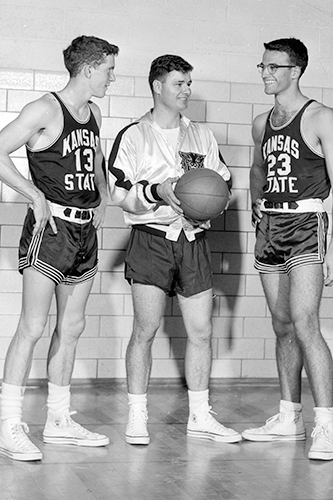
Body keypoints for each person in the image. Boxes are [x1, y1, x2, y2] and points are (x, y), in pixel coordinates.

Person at [108, 53, 242, 445]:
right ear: (157, 86)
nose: (186, 90)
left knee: (201, 331)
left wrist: (210, 205)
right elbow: (118, 192)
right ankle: (137, 415)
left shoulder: (201, 135)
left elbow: (223, 183)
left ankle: (200, 415)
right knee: (145, 330)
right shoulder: (133, 135)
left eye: (188, 83)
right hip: (151, 240)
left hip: (194, 241)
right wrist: (157, 190)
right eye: (179, 83)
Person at [0, 35, 119, 461]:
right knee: (32, 327)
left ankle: (58, 419)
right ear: (88, 69)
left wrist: (103, 195)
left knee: (71, 328)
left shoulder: (95, 114)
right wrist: (33, 195)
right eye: (107, 68)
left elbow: (96, 161)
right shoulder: (45, 109)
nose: (111, 76)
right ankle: (9, 424)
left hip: (85, 233)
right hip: (50, 230)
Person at [242, 37, 333, 460]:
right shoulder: (262, 123)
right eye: (262, 66)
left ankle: (326, 425)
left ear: (294, 71)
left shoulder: (321, 118)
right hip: (271, 224)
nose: (265, 72)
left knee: (305, 321)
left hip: (307, 222)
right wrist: (255, 203)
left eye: (273, 67)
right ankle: (289, 416)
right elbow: (257, 169)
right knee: (281, 325)